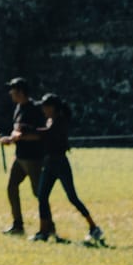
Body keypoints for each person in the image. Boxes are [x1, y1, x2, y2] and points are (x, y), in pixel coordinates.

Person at [28, 92, 106, 246]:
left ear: (52, 107)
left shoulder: (60, 121)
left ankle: (93, 227)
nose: (43, 110)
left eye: (45, 107)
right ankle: (43, 231)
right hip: (49, 163)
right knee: (42, 196)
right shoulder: (50, 120)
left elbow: (47, 135)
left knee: (72, 197)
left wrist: (28, 133)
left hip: (60, 163)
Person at [0, 78, 45, 236]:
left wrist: (19, 138)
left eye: (13, 91)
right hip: (20, 157)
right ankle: (18, 225)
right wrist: (9, 139)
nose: (10, 93)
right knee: (11, 187)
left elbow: (39, 134)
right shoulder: (18, 108)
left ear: (21, 92)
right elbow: (18, 131)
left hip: (33, 158)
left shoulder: (35, 109)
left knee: (39, 193)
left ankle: (48, 226)